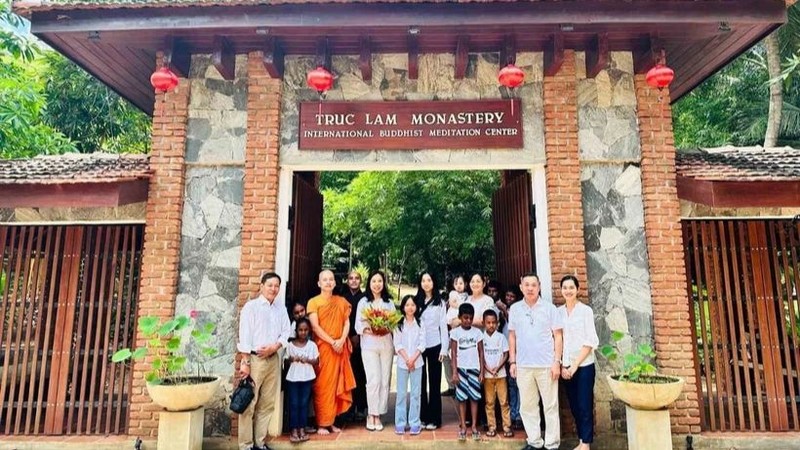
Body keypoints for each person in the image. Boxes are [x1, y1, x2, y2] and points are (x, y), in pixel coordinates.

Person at [509, 273, 564, 450]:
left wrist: (557, 361)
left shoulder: (549, 309)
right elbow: (512, 336)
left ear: (539, 286)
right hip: (524, 365)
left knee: (550, 405)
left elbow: (558, 336)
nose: (530, 288)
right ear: (521, 287)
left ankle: (552, 444)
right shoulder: (515, 309)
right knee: (527, 406)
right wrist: (513, 361)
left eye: (533, 285)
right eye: (527, 285)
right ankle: (534, 441)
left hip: (546, 365)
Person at [237, 272, 291, 450]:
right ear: (261, 286)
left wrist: (274, 347)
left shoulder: (280, 308)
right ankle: (246, 445)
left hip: (273, 359)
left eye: (276, 286)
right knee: (249, 403)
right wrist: (245, 361)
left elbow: (286, 332)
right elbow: (244, 335)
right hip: (254, 359)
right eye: (270, 285)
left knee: (267, 404)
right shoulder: (251, 307)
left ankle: (259, 443)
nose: (273, 289)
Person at [307, 269, 356, 434]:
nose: (328, 282)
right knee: (323, 385)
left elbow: (347, 323)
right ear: (319, 283)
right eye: (325, 280)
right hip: (324, 347)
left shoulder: (341, 301)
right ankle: (322, 423)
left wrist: (341, 340)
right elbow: (315, 326)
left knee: (336, 385)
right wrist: (332, 341)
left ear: (335, 283)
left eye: (331, 279)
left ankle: (331, 422)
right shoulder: (313, 302)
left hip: (339, 347)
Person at [558, 275, 598, 450]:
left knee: (584, 404)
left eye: (571, 287)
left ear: (577, 289)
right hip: (565, 367)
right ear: (561, 291)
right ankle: (581, 439)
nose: (568, 290)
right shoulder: (558, 312)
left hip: (583, 366)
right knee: (574, 405)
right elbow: (556, 339)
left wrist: (574, 366)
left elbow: (590, 341)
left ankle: (585, 444)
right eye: (565, 288)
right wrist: (561, 365)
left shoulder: (585, 311)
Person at [354, 270, 395, 431]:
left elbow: (393, 324)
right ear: (369, 283)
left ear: (383, 283)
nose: (377, 284)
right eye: (374, 281)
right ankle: (372, 414)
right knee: (373, 380)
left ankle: (379, 413)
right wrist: (369, 329)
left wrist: (385, 327)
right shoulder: (364, 302)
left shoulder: (389, 302)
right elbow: (358, 323)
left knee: (385, 380)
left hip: (386, 345)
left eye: (380, 281)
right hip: (370, 345)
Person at [414, 272, 448, 430]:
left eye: (429, 280)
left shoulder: (440, 303)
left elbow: (443, 326)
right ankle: (422, 416)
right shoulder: (416, 301)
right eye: (423, 280)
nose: (426, 283)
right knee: (420, 383)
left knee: (435, 383)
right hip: (419, 347)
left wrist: (444, 348)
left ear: (434, 282)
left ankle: (435, 418)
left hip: (435, 345)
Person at [450, 303, 484, 442]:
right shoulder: (455, 332)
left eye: (470, 318)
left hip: (474, 369)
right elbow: (453, 352)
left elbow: (481, 352)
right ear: (459, 317)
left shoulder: (477, 333)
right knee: (462, 398)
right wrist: (454, 372)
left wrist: (481, 371)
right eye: (465, 318)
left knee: (474, 398)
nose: (468, 321)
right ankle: (463, 425)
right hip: (461, 370)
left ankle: (474, 426)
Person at [393, 295, 426, 435]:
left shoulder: (421, 323)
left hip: (417, 363)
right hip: (402, 363)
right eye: (407, 305)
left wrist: (413, 359)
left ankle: (414, 423)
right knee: (401, 394)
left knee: (415, 394)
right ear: (403, 307)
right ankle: (400, 423)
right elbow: (397, 344)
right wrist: (408, 360)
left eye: (413, 305)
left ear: (416, 307)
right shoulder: (399, 324)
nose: (410, 307)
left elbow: (422, 343)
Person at [285, 318, 319, 444]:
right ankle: (294, 430)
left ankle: (302, 429)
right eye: (300, 330)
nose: (303, 332)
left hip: (307, 377)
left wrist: (308, 360)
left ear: (309, 331)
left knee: (304, 403)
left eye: (305, 330)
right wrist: (292, 358)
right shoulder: (290, 345)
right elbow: (286, 360)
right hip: (293, 377)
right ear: (296, 331)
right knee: (294, 403)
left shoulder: (312, 345)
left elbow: (317, 361)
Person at [341, 270, 368, 422]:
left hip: (361, 340)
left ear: (360, 281)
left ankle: (361, 407)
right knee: (347, 374)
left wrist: (358, 335)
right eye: (350, 278)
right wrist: (347, 337)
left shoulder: (365, 298)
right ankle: (348, 408)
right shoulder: (342, 298)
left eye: (357, 278)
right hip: (345, 341)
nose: (353, 281)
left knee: (361, 374)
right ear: (347, 280)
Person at [482, 309, 513, 438]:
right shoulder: (481, 338)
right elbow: (480, 356)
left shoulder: (501, 337)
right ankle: (492, 426)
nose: (491, 325)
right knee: (489, 402)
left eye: (494, 322)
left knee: (504, 401)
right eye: (488, 322)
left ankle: (507, 426)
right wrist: (488, 369)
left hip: (501, 375)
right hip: (488, 375)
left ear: (498, 323)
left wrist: (498, 367)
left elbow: (506, 354)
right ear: (483, 323)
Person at [500, 287, 523, 430]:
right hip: (507, 356)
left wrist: (506, 313)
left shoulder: (516, 312)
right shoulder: (502, 316)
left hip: (519, 355)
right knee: (511, 386)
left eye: (512, 296)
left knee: (519, 386)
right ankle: (513, 415)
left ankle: (519, 415)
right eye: (507, 295)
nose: (509, 298)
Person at [443, 274, 468, 397]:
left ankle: (460, 386)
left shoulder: (468, 297)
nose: (459, 285)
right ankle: (452, 386)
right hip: (451, 327)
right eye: (457, 283)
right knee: (449, 357)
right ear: (453, 285)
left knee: (458, 358)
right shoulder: (453, 294)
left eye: (461, 283)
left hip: (463, 331)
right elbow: (453, 303)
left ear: (465, 285)